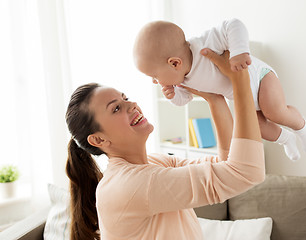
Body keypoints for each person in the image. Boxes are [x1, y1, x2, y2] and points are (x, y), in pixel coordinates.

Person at [65, 49, 265, 240]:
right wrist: (240, 81)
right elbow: (246, 172)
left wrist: (214, 99)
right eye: (116, 108)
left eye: (125, 98)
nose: (131, 104)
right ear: (99, 140)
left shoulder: (153, 163)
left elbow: (226, 164)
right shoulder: (130, 185)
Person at [133, 18, 306, 161]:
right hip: (243, 98)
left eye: (154, 76)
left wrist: (239, 52)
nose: (155, 82)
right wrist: (173, 96)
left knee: (274, 112)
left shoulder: (203, 46)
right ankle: (286, 139)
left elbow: (233, 25)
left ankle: (303, 128)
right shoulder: (182, 80)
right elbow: (184, 100)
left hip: (260, 78)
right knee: (259, 128)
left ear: (174, 63)